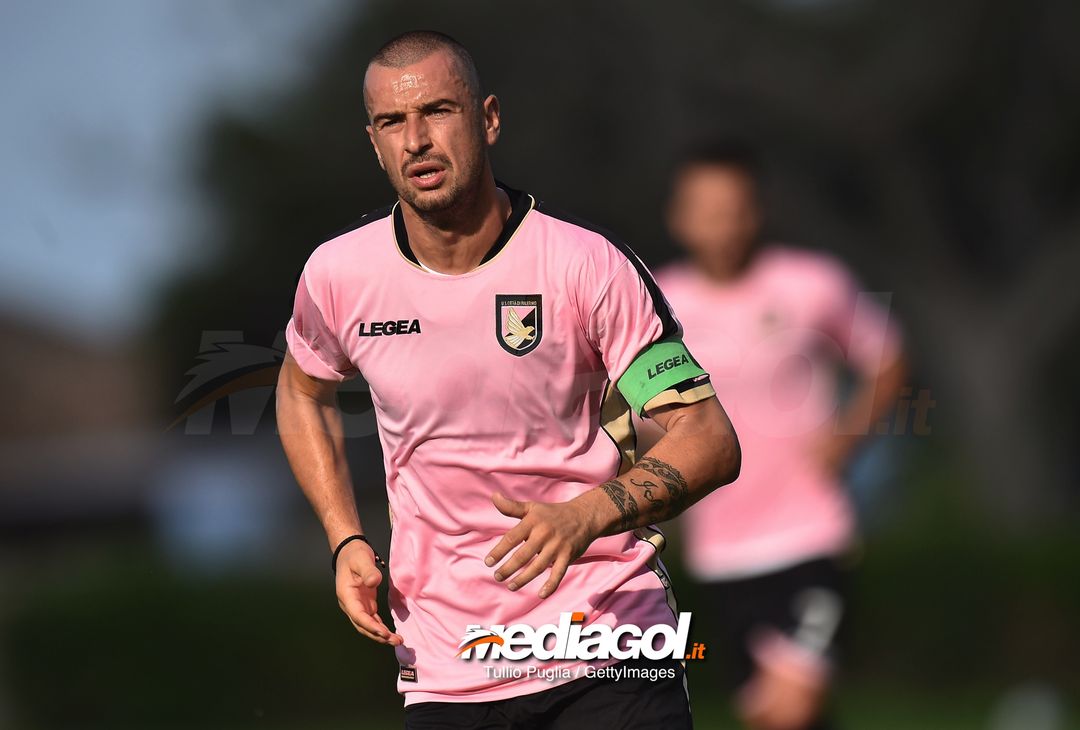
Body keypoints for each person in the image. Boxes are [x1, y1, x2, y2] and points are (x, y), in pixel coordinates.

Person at [275, 31, 741, 729]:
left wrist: (587, 514)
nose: (417, 141)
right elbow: (300, 392)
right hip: (449, 667)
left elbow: (708, 437)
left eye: (437, 111)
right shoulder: (338, 276)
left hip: (606, 645)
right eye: (393, 123)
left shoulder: (587, 266)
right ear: (373, 143)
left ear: (487, 119)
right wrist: (345, 538)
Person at [655, 141, 906, 730]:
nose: (722, 223)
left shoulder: (811, 282)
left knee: (791, 709)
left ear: (757, 211)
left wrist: (845, 441)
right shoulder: (658, 300)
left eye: (735, 207)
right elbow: (642, 412)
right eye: (706, 208)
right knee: (775, 718)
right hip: (720, 552)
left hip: (809, 538)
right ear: (679, 216)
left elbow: (887, 359)